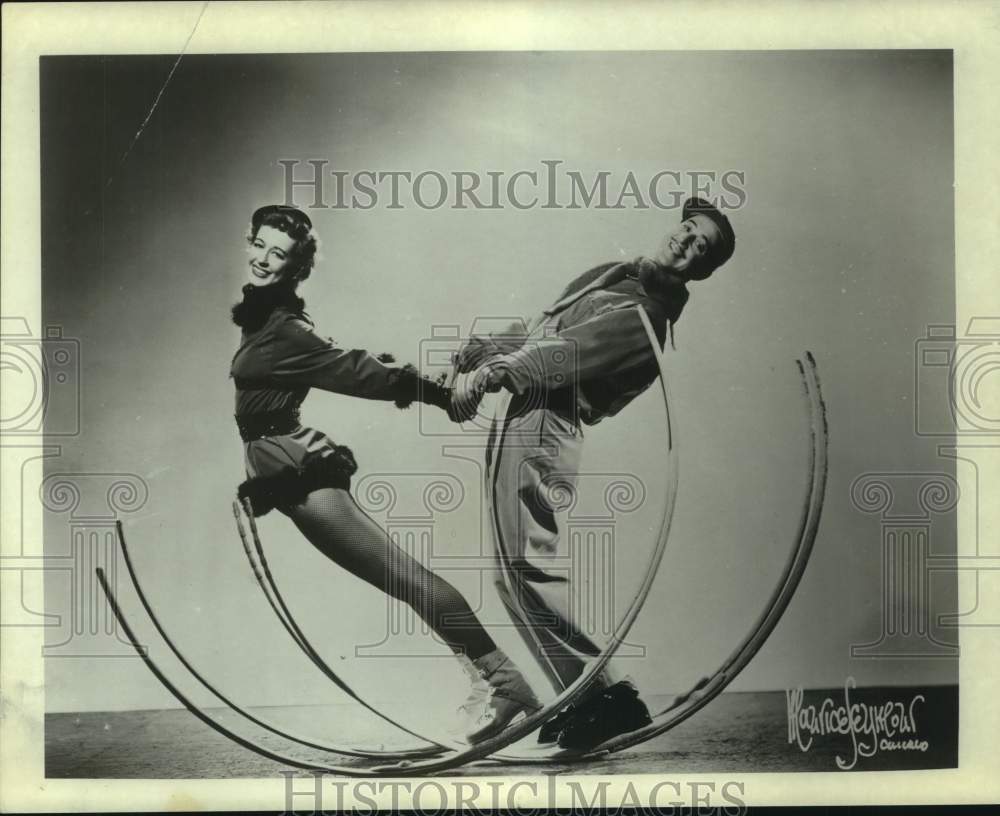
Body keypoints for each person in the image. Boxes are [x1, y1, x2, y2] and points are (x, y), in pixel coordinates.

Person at [230, 204, 540, 744]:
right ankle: (498, 681)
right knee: (402, 580)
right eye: (259, 244)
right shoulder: (265, 318)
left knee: (406, 578)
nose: (262, 258)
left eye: (277, 253)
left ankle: (504, 683)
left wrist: (441, 394)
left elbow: (361, 370)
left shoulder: (285, 330)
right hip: (285, 469)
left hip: (298, 471)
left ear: (296, 267)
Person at [452, 197, 736, 750]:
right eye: (688, 229)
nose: (687, 242)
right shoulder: (616, 279)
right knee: (511, 574)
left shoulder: (649, 314)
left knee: (524, 569)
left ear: (699, 268)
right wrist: (490, 346)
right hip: (526, 414)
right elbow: (543, 325)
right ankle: (584, 696)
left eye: (702, 247)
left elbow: (569, 351)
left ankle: (607, 698)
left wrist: (506, 366)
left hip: (547, 419)